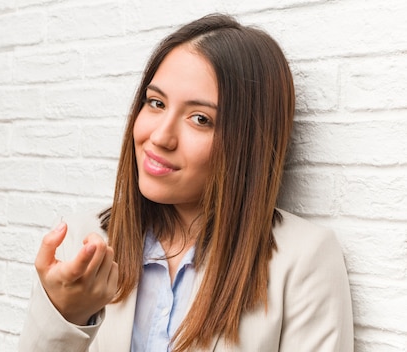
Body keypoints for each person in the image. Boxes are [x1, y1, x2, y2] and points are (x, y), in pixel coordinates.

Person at [18, 13, 353, 352]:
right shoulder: (84, 240)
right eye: (156, 103)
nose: (160, 137)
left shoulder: (304, 260)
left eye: (200, 119)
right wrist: (67, 317)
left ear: (248, 141)